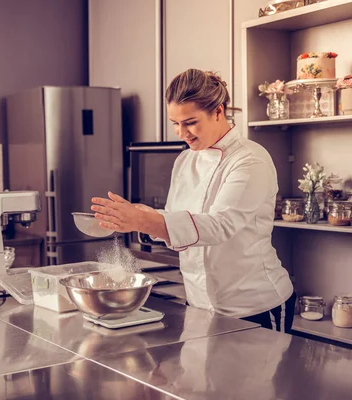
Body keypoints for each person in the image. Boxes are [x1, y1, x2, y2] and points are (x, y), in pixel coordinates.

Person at [91, 69, 296, 333]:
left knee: (254, 376)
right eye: (175, 123)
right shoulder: (186, 159)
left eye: (190, 122)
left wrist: (143, 220)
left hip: (254, 305)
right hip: (199, 303)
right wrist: (141, 215)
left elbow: (220, 225)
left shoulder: (249, 160)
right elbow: (180, 217)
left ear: (218, 112)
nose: (181, 132)